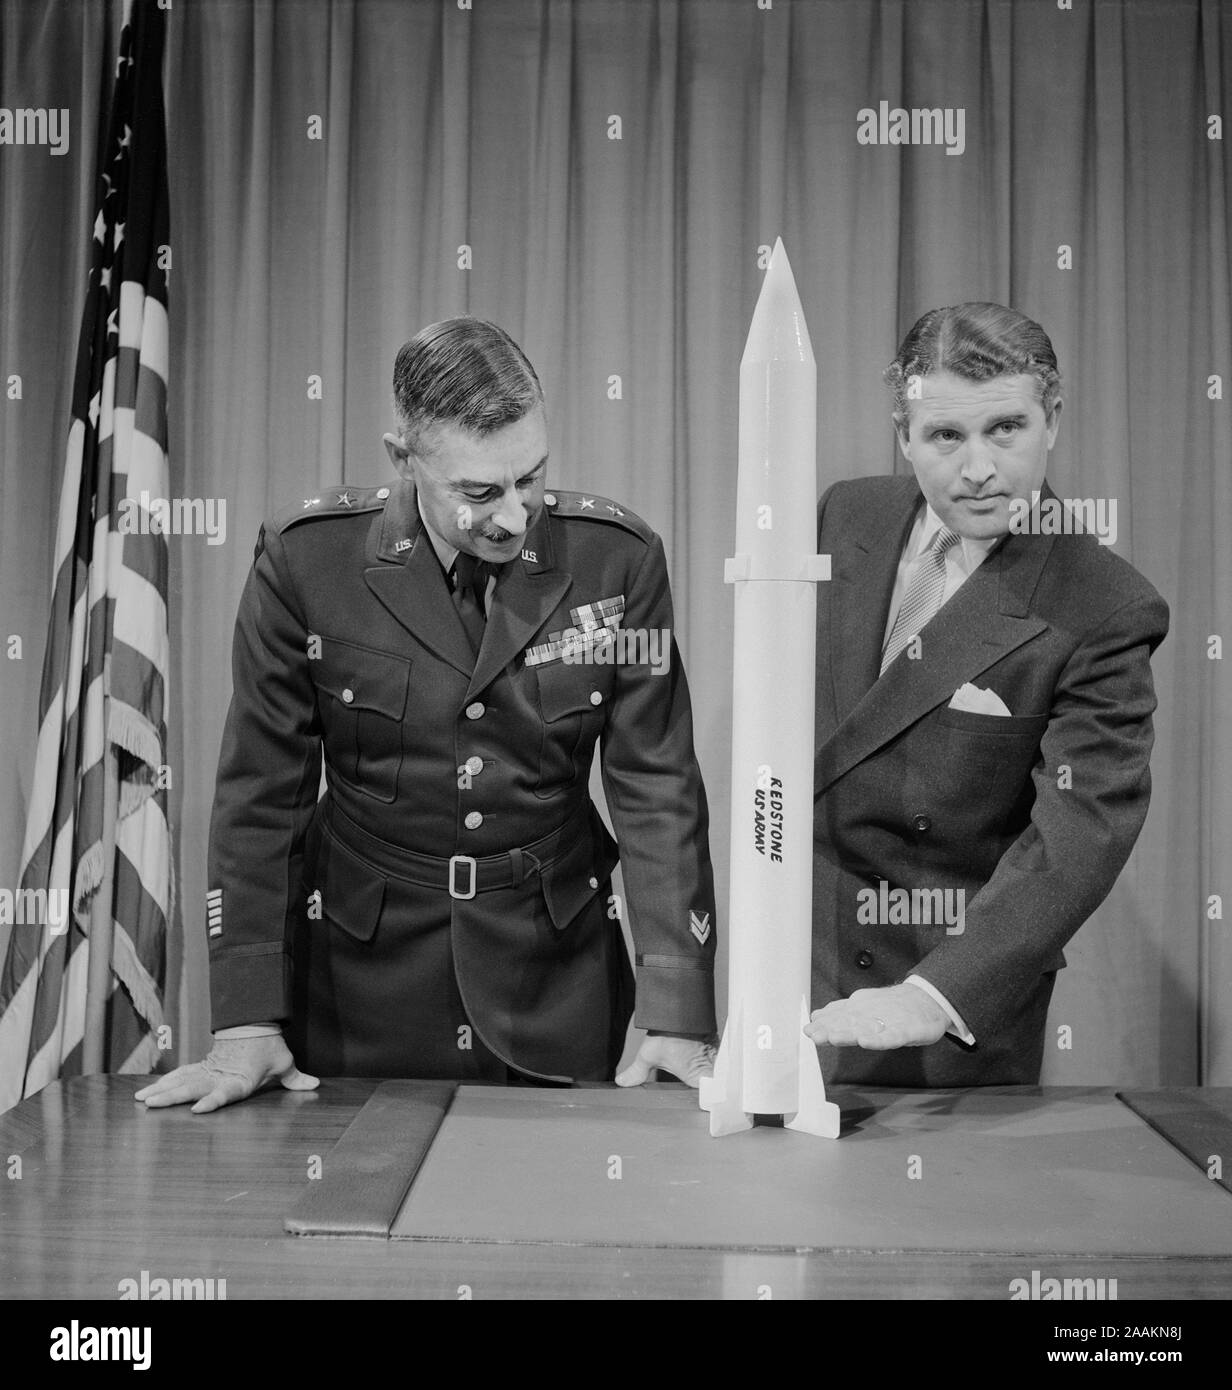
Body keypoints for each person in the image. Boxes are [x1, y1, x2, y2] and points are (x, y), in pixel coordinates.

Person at [138, 317, 717, 1113]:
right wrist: (244, 1017)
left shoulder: (619, 560)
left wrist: (678, 1008)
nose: (514, 516)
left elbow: (658, 787)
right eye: (479, 492)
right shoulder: (306, 562)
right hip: (359, 982)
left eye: (532, 478)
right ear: (402, 460)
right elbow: (258, 796)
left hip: (553, 976)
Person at [804, 302, 1169, 1086]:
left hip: (948, 1008)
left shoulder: (1104, 606)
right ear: (904, 435)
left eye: (1005, 428)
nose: (978, 469)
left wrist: (934, 996)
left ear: (1052, 420)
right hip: (805, 976)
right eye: (945, 436)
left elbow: (1080, 835)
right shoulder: (846, 515)